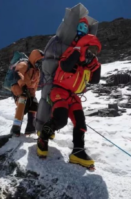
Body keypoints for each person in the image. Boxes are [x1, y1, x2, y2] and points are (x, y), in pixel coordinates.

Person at [37, 17, 102, 169]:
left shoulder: (89, 61)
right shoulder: (71, 51)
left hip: (73, 95)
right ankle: (43, 138)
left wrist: (95, 65)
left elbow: (95, 81)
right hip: (58, 90)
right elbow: (65, 66)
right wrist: (79, 51)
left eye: (93, 51)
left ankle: (78, 152)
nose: (90, 54)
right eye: (89, 49)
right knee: (60, 119)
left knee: (80, 123)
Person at [10, 49, 44, 137]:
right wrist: (22, 84)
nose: (39, 62)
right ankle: (15, 128)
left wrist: (33, 95)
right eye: (38, 59)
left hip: (30, 91)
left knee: (34, 104)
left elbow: (35, 84)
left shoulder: (37, 71)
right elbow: (17, 73)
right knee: (22, 103)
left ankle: (30, 128)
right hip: (19, 87)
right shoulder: (24, 64)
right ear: (34, 58)